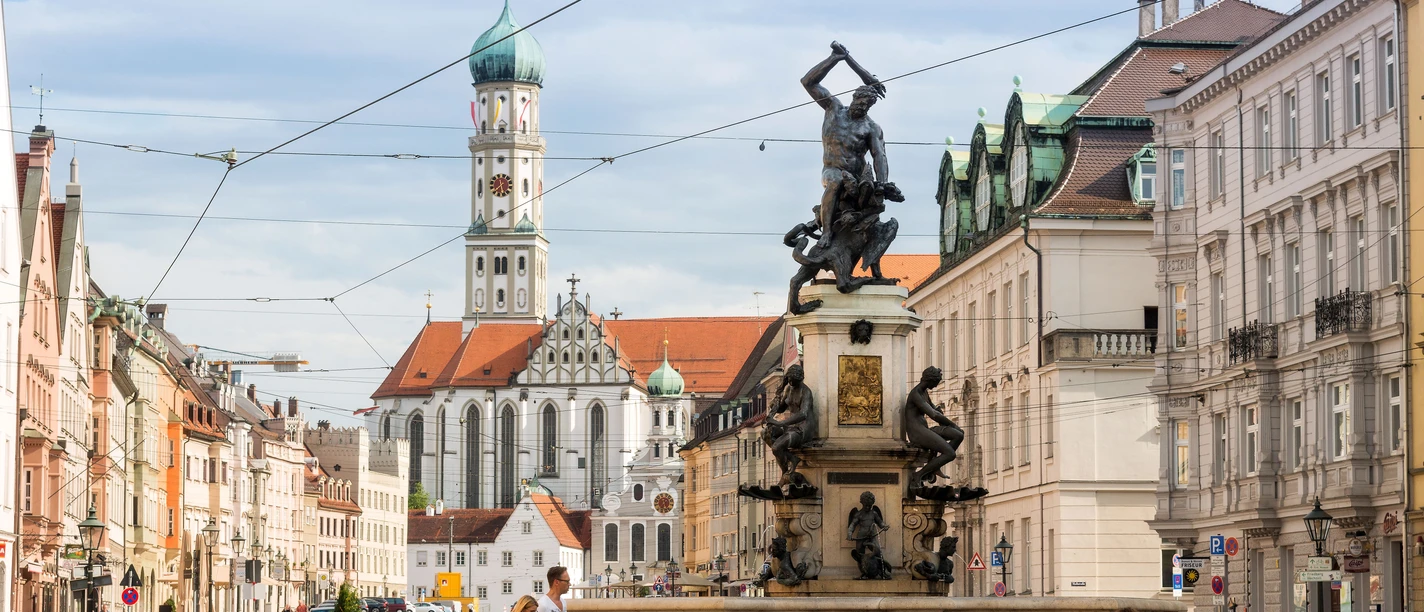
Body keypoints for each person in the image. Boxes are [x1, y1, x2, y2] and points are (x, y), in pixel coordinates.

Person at [801, 41, 897, 247]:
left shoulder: (871, 127)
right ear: (854, 98)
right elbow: (808, 82)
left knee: (870, 204)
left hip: (857, 175)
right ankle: (826, 233)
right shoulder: (833, 109)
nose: (862, 107)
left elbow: (879, 155)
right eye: (860, 102)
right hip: (832, 170)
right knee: (835, 182)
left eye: (867, 105)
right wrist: (835, 58)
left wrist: (882, 182)